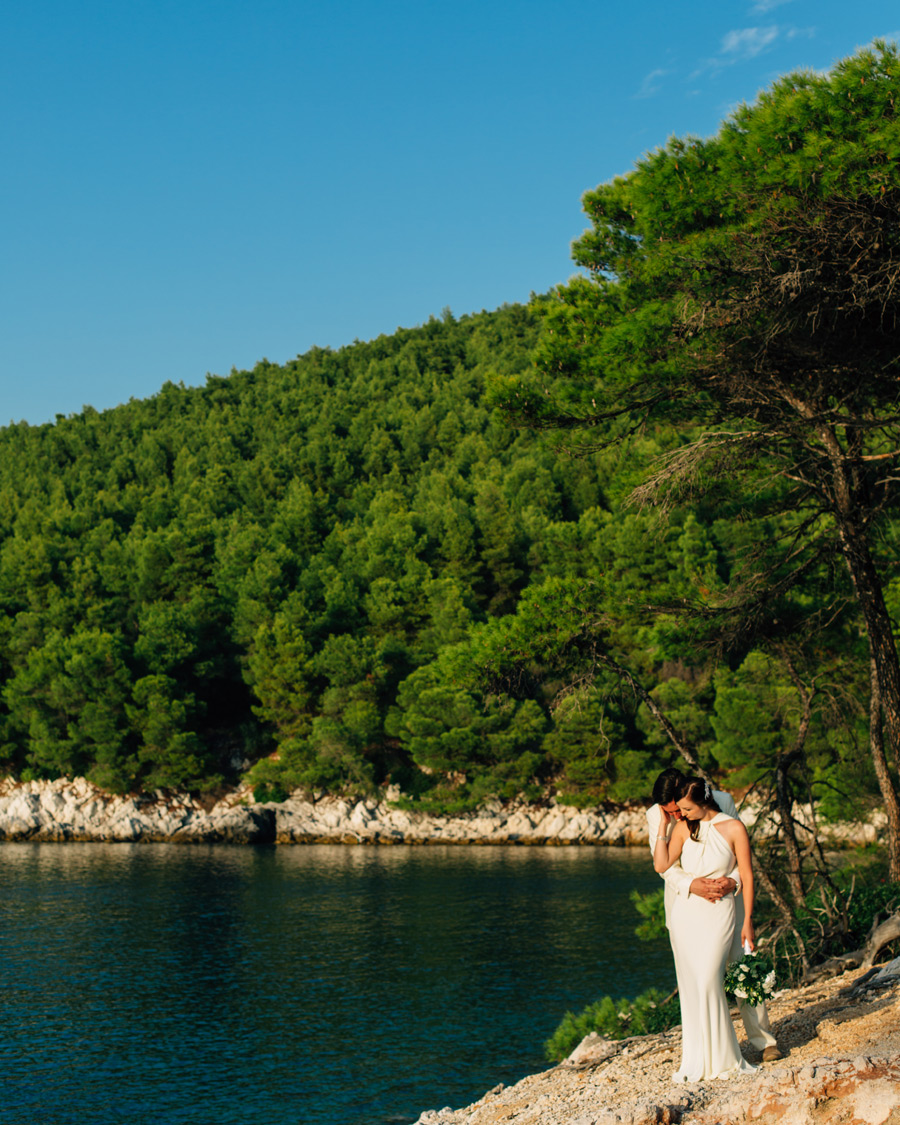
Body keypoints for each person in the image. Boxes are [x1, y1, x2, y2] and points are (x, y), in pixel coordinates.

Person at [646, 768, 780, 1064]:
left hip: (728, 901)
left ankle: (763, 1040)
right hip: (687, 904)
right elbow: (665, 867)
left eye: (681, 809)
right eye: (673, 811)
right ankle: (705, 1050)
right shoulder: (658, 815)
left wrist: (733, 881)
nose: (679, 815)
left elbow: (737, 853)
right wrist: (693, 884)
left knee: (742, 968)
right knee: (698, 981)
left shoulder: (723, 801)